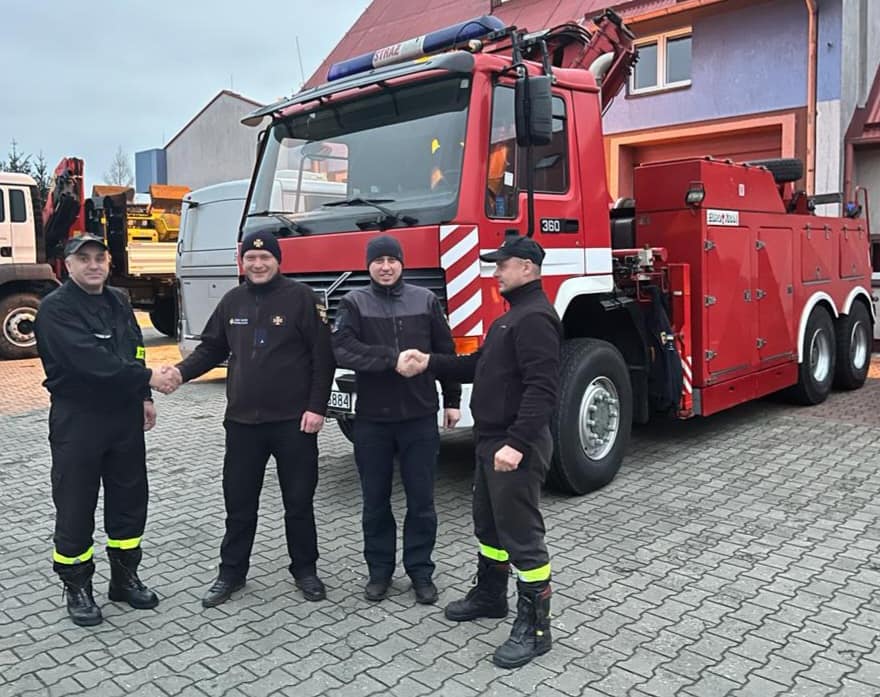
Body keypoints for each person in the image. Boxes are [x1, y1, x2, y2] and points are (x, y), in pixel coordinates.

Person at [399, 234, 561, 668]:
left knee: (522, 536)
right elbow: (479, 366)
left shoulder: (535, 318)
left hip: (513, 444)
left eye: (502, 265)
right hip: (491, 440)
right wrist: (429, 362)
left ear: (526, 267)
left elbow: (543, 389)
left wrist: (517, 444)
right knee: (489, 527)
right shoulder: (510, 317)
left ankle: (536, 630)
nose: (496, 272)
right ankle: (491, 596)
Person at [162, 230, 335, 607]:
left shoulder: (303, 299)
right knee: (239, 505)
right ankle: (231, 573)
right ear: (242, 263)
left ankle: (305, 570)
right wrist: (180, 372)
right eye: (250, 259)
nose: (257, 264)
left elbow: (324, 358)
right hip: (242, 425)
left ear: (278, 260)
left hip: (294, 423)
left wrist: (317, 407)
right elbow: (211, 349)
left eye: (265, 257)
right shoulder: (232, 301)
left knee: (298, 503)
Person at [34, 233, 175, 627]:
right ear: (68, 265)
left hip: (124, 417)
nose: (94, 265)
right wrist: (148, 377)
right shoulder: (55, 309)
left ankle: (124, 579)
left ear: (109, 262)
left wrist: (144, 394)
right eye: (84, 259)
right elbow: (89, 361)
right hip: (79, 418)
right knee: (76, 504)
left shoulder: (118, 300)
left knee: (130, 499)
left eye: (100, 257)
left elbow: (134, 347)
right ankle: (77, 587)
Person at [331, 234, 461, 604]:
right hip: (372, 420)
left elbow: (445, 351)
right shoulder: (354, 302)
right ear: (368, 265)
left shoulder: (425, 300)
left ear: (402, 263)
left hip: (419, 417)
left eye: (392, 260)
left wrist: (452, 399)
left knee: (422, 502)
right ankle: (380, 572)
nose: (385, 267)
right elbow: (342, 349)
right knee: (375, 501)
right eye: (378, 261)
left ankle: (420, 572)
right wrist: (392, 359)